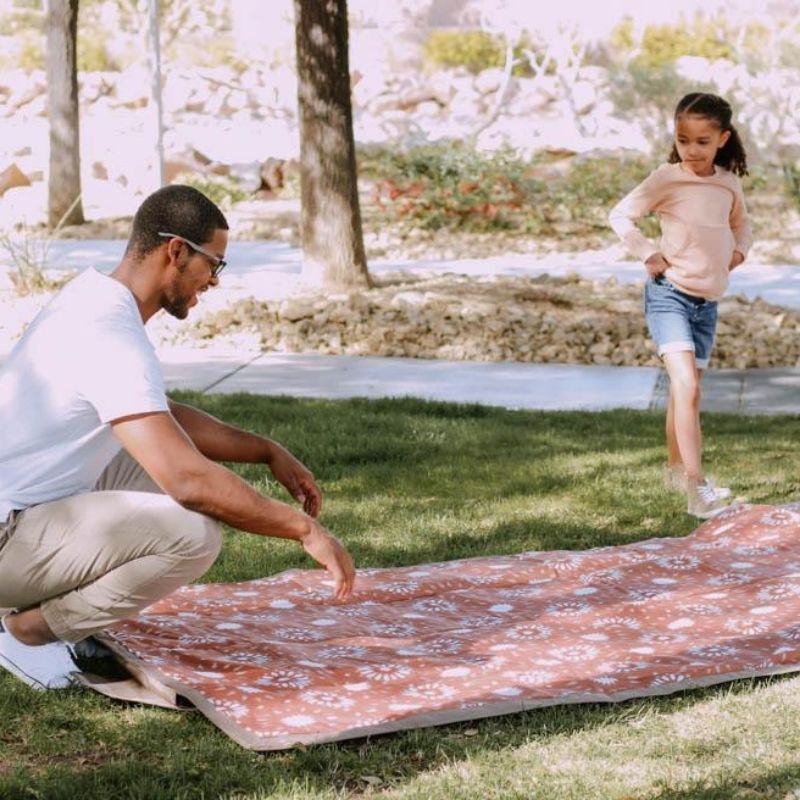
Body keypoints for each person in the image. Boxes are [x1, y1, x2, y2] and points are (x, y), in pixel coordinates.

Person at [0, 185, 355, 690]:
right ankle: (24, 631)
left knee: (159, 457)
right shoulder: (110, 333)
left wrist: (265, 450)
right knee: (192, 532)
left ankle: (32, 610)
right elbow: (187, 480)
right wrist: (304, 530)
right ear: (176, 251)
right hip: (6, 536)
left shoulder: (92, 297)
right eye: (215, 264)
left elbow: (162, 416)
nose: (213, 281)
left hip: (21, 508)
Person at [609, 92, 752, 519]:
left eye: (702, 141)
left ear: (722, 139)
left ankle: (675, 470)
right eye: (683, 139)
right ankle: (696, 487)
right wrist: (646, 253)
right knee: (687, 386)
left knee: (683, 394)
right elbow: (621, 215)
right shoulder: (666, 178)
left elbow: (741, 225)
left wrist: (739, 253)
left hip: (706, 304)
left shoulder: (728, 183)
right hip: (669, 294)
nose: (691, 150)